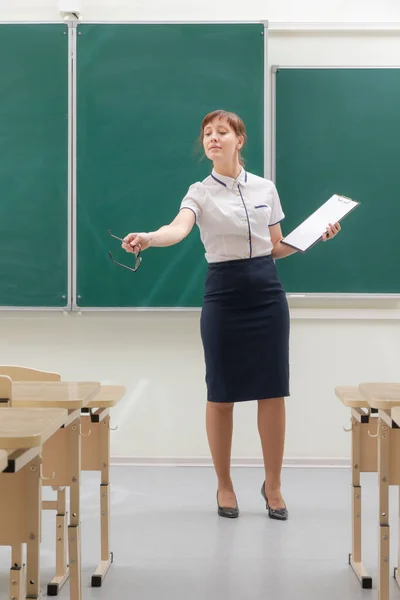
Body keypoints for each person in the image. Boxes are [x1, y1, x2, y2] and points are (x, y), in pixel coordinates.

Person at [122, 110, 341, 520]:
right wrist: (150, 238)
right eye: (207, 134)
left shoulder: (265, 188)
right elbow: (179, 227)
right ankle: (224, 484)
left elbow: (275, 246)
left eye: (222, 132)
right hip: (223, 294)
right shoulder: (199, 192)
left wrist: (314, 238)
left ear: (239, 139)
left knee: (272, 390)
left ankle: (273, 485)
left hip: (267, 292)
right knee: (221, 393)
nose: (213, 139)